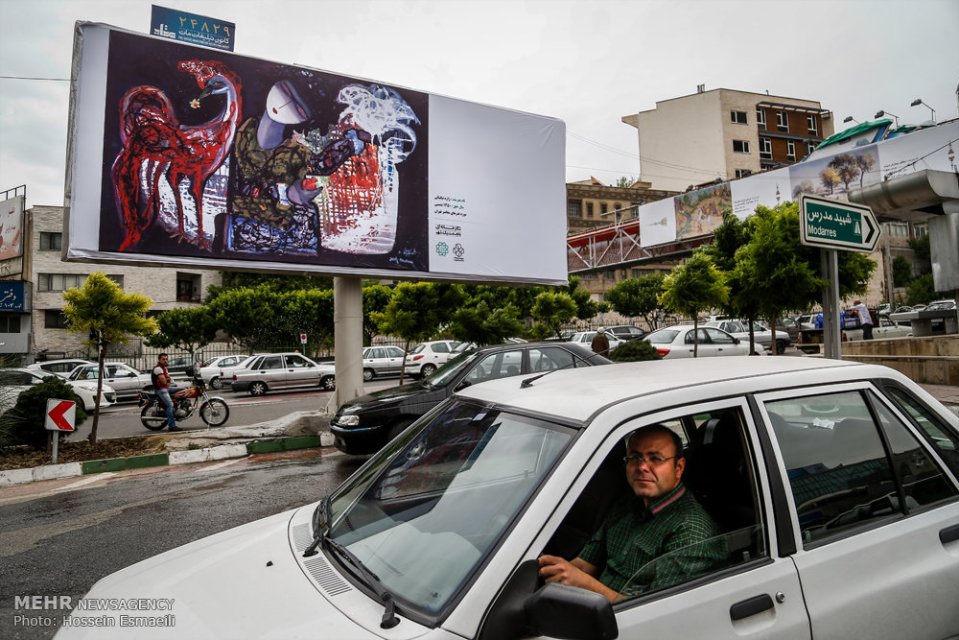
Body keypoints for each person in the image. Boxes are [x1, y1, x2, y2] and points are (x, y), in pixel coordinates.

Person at [538, 425, 723, 601]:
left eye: (655, 459)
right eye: (634, 457)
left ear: (678, 468)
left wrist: (583, 583)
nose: (642, 467)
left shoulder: (692, 534)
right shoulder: (627, 503)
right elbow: (585, 564)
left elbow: (654, 613)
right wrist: (550, 569)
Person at [152, 353, 182, 432]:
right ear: (159, 360)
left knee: (184, 389)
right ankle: (171, 426)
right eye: (163, 359)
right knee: (170, 405)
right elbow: (164, 381)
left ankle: (178, 408)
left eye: (166, 359)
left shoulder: (164, 368)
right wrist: (166, 379)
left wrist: (167, 379)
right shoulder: (158, 369)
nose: (165, 360)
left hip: (166, 388)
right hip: (161, 390)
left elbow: (168, 379)